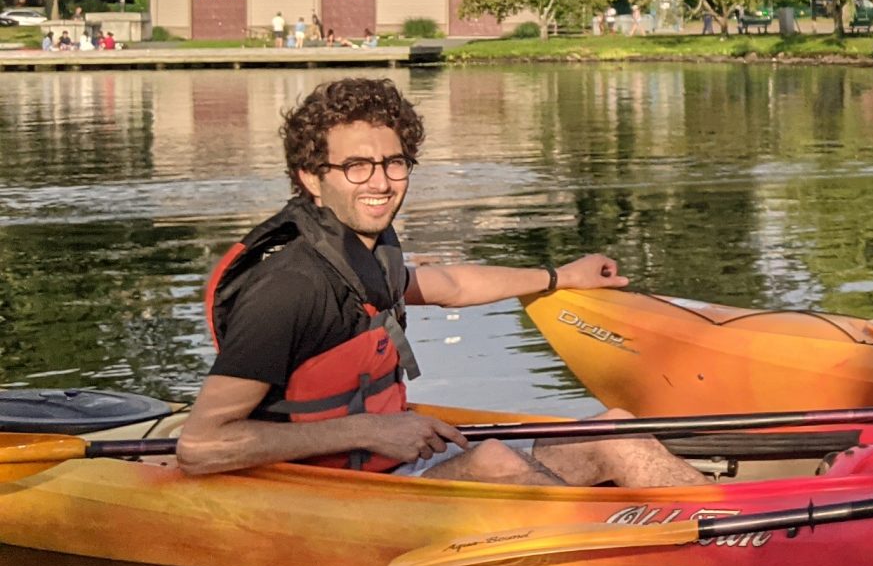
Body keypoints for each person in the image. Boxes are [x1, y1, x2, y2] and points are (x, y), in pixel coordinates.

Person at [176, 77, 702, 487]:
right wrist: (369, 430)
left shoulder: (358, 251)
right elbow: (200, 447)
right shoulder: (287, 289)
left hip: (390, 465)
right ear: (311, 178)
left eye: (394, 163)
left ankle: (736, 537)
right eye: (356, 167)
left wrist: (559, 276)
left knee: (614, 429)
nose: (381, 183)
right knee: (495, 460)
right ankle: (663, 555)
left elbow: (449, 283)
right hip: (328, 491)